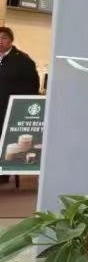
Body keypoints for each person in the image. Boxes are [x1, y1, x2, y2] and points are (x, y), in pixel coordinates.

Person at [0, 28, 40, 186]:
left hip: (9, 109)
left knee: (5, 140)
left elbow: (32, 86)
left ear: (11, 40)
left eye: (3, 38)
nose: (0, 41)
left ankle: (3, 174)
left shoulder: (23, 61)